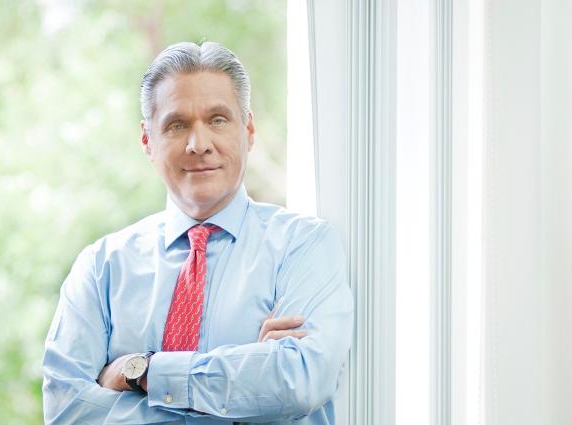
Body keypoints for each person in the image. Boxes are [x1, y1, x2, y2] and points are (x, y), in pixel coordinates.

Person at [42, 41, 353, 425]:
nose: (199, 144)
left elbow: (299, 381)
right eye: (177, 125)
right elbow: (67, 412)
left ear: (248, 129)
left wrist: (143, 372)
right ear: (147, 140)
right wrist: (248, 381)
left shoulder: (304, 247)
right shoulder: (101, 267)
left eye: (218, 120)